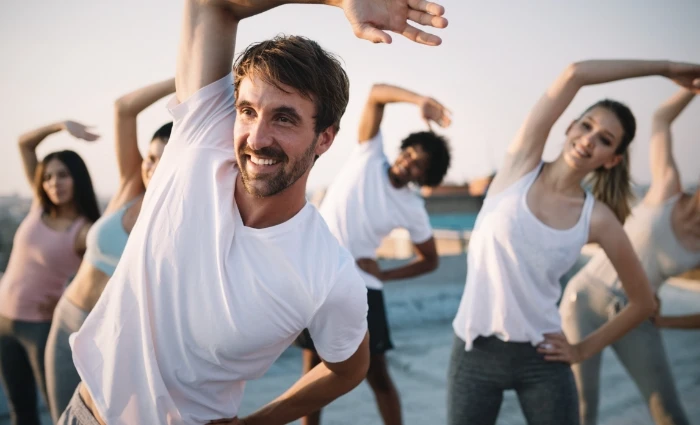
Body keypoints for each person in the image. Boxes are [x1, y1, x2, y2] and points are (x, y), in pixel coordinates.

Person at [58, 0, 449, 423]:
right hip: (84, 412)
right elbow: (213, 5)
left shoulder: (330, 276)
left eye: (284, 119)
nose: (257, 138)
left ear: (325, 138)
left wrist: (256, 422)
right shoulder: (202, 135)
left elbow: (349, 369)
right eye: (247, 112)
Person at [448, 60, 700, 425]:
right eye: (587, 126)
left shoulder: (597, 218)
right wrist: (665, 69)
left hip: (543, 357)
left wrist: (582, 349)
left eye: (604, 140)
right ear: (569, 126)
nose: (588, 140)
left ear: (611, 160)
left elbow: (643, 302)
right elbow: (575, 74)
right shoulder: (520, 164)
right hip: (474, 351)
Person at [297, 83, 451, 425]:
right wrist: (420, 99)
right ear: (404, 149)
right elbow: (376, 93)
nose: (409, 164)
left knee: (375, 373)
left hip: (362, 286)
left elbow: (431, 260)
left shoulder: (412, 208)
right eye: (410, 154)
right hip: (318, 273)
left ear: (424, 177)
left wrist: (385, 273)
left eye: (419, 167)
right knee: (312, 369)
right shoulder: (369, 153)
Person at [561, 87, 700, 425]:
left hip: (638, 314)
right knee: (581, 410)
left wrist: (665, 322)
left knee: (669, 413)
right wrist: (694, 85)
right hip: (584, 298)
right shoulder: (668, 187)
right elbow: (661, 118)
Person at [44, 78, 176, 422]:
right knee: (62, 416)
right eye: (149, 157)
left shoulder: (178, 222)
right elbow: (123, 109)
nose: (150, 167)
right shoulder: (131, 187)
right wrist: (189, 77)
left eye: (162, 160)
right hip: (67, 319)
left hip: (112, 342)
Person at [0, 121, 100, 425]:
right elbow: (25, 144)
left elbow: (98, 283)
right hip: (4, 322)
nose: (54, 183)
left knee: (60, 411)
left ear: (77, 179)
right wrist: (60, 126)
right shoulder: (37, 207)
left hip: (41, 329)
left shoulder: (84, 231)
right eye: (48, 177)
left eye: (63, 175)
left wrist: (61, 305)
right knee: (21, 411)